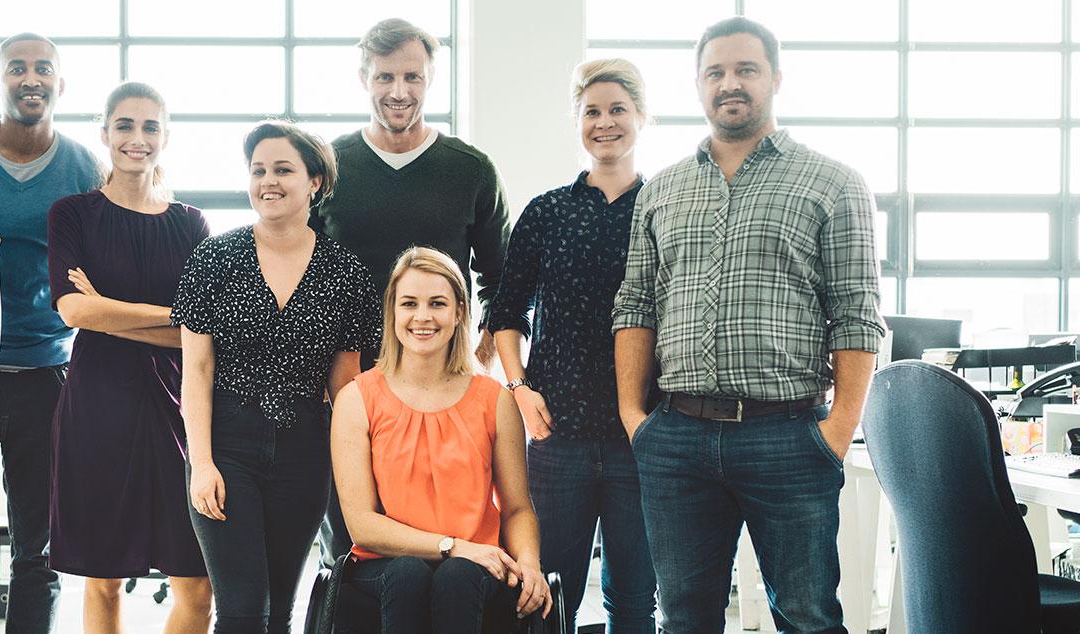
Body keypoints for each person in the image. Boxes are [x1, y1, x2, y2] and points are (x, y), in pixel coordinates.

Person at [611, 17, 885, 634]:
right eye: (716, 72)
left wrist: (838, 430)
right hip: (676, 437)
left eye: (746, 69)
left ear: (776, 79)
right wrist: (635, 418)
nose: (729, 83)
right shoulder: (663, 190)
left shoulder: (834, 183)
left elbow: (857, 313)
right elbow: (635, 306)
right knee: (683, 618)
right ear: (699, 85)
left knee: (808, 616)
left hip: (787, 436)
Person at [310, 16, 512, 564]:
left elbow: (504, 280)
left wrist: (476, 357)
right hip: (350, 385)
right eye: (384, 78)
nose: (399, 92)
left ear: (429, 80)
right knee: (353, 544)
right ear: (364, 79)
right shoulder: (329, 167)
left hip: (441, 384)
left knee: (446, 533)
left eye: (412, 78)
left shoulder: (471, 169)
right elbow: (305, 274)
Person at [175, 121, 380, 634]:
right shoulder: (215, 257)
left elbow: (346, 383)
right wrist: (201, 462)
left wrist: (357, 468)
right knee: (242, 612)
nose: (268, 180)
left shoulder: (345, 271)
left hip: (305, 447)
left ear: (314, 181)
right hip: (227, 444)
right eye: (258, 170)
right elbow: (196, 371)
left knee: (279, 614)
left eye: (283, 169)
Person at [484, 58, 657, 633]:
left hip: (643, 433)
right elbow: (506, 313)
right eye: (591, 112)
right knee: (548, 593)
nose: (604, 123)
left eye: (617, 110)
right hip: (557, 433)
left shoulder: (665, 208)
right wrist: (519, 387)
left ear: (641, 118)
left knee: (635, 599)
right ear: (577, 123)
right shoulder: (547, 211)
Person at [0, 32, 103, 634]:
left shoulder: (86, 166)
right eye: (16, 68)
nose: (29, 79)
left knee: (40, 545)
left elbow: (103, 265)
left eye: (42, 69)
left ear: (60, 83)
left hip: (49, 375)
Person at [46, 81, 213, 634]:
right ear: (104, 133)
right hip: (98, 401)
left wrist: (107, 309)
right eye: (124, 126)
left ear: (165, 138)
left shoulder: (190, 224)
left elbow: (203, 336)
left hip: (179, 401)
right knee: (104, 576)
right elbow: (72, 312)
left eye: (149, 127)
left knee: (197, 582)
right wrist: (170, 316)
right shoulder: (72, 214)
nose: (136, 138)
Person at [331, 246, 552, 634]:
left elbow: (517, 508)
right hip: (385, 564)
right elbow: (362, 526)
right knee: (409, 573)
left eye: (437, 303)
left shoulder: (493, 399)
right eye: (409, 303)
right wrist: (452, 545)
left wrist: (530, 563)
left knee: (457, 576)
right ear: (392, 313)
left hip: (474, 566)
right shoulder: (357, 398)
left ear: (459, 313)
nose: (422, 317)